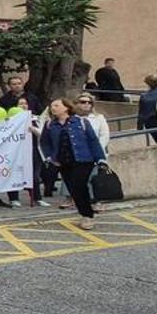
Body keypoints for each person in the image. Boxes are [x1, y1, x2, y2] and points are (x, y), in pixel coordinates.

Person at [39, 98, 107, 230]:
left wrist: (100, 158)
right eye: (52, 106)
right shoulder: (50, 124)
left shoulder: (81, 122)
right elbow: (44, 143)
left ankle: (87, 216)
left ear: (66, 107)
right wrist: (49, 157)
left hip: (83, 160)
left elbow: (93, 141)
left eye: (56, 105)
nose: (53, 108)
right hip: (63, 162)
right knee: (73, 189)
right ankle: (85, 212)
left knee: (79, 186)